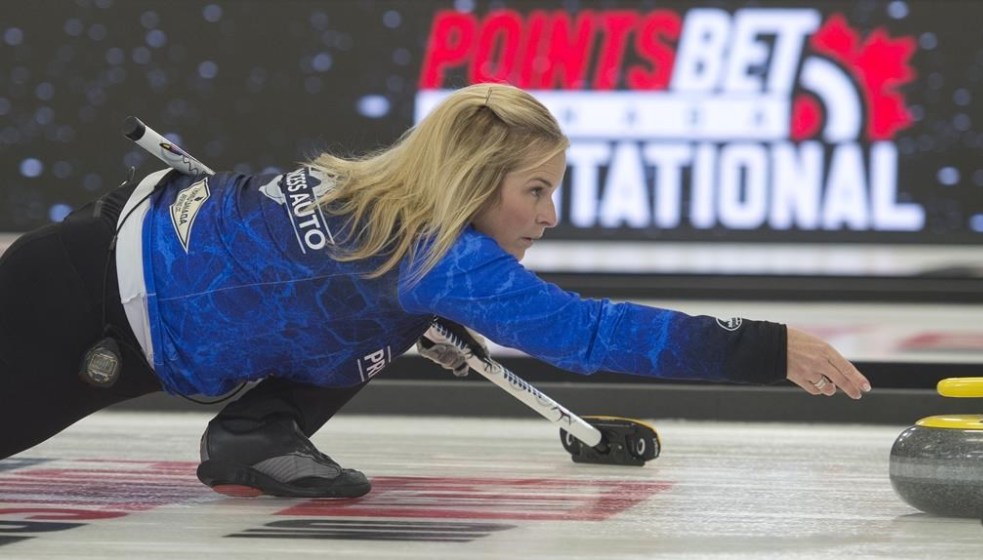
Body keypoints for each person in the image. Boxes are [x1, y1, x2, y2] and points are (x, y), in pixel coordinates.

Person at [0, 83, 870, 498]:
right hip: (78, 319)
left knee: (379, 314)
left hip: (85, 271)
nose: (549, 214)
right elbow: (584, 334)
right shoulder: (437, 255)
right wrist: (764, 344)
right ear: (475, 182)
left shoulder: (375, 201)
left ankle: (256, 434)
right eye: (536, 191)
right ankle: (254, 431)